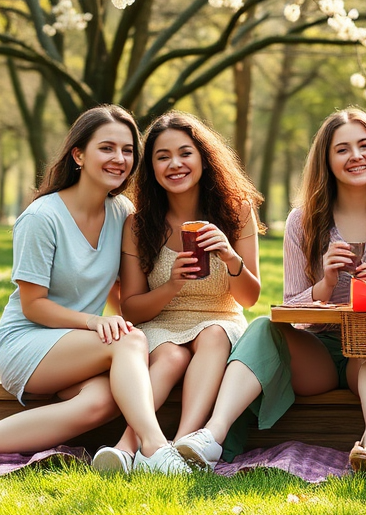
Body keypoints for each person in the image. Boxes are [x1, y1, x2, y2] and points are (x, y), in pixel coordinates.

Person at [0, 105, 189, 474]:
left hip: (77, 346)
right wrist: (96, 323)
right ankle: (155, 448)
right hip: (28, 341)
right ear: (78, 154)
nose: (119, 159)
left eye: (127, 150)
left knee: (99, 403)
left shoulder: (122, 212)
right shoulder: (42, 217)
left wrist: (154, 302)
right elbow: (33, 306)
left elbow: (116, 292)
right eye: (106, 148)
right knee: (129, 342)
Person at [171, 108, 366, 478]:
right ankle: (212, 435)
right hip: (320, 352)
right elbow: (290, 310)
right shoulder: (303, 220)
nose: (355, 156)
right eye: (342, 149)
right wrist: (323, 286)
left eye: (364, 145)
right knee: (261, 328)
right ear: (327, 161)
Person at [90, 112, 263, 473]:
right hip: (161, 324)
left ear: (203, 157)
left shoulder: (237, 211)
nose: (175, 164)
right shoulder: (139, 223)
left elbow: (249, 299)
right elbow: (132, 311)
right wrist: (172, 285)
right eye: (162, 156)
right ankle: (126, 447)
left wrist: (230, 257)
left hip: (221, 318)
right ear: (150, 166)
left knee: (214, 336)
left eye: (185, 153)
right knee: (169, 356)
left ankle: (181, 446)